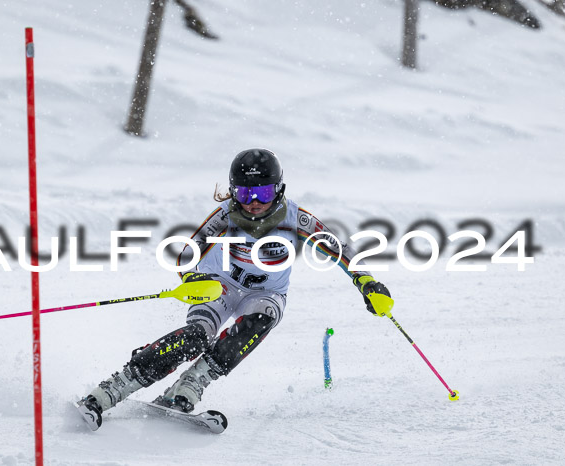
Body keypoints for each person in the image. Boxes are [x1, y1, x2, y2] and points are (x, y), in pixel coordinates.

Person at [76, 148, 391, 431]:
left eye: (264, 193)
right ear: (232, 191)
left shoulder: (296, 219)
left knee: (261, 318)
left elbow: (342, 250)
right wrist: (191, 279)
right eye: (244, 193)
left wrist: (367, 282)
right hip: (220, 286)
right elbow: (189, 251)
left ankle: (191, 384)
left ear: (279, 190)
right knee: (196, 336)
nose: (254, 203)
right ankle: (113, 388)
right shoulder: (225, 214)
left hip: (265, 294)